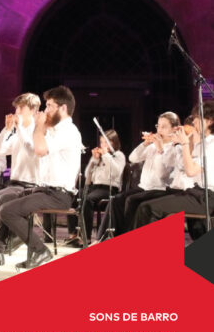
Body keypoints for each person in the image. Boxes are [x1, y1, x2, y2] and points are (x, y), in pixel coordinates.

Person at [0, 86, 82, 269]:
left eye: (49, 106)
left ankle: (40, 250)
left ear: (63, 108)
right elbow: (32, 148)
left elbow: (39, 150)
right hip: (44, 189)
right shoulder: (55, 130)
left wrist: (39, 126)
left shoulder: (68, 131)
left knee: (8, 211)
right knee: (3, 200)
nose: (46, 110)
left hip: (58, 194)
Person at [133, 101, 214, 233]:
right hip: (195, 192)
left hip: (206, 197)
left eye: (197, 118)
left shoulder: (211, 144)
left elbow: (190, 171)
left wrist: (184, 144)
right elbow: (182, 164)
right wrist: (183, 141)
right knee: (144, 206)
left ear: (209, 121)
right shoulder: (201, 143)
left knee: (148, 208)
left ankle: (144, 246)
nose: (194, 122)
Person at [98, 112, 179, 238]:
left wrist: (160, 149)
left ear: (174, 129)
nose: (159, 130)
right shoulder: (152, 147)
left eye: (164, 127)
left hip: (160, 189)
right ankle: (106, 237)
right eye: (158, 126)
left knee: (132, 201)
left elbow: (162, 174)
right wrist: (145, 144)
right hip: (144, 187)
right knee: (116, 200)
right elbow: (133, 158)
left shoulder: (174, 149)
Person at [0, 93, 41, 238]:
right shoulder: (17, 134)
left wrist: (19, 128)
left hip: (29, 185)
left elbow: (31, 151)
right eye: (17, 108)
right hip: (13, 183)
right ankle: (12, 231)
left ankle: (14, 232)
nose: (17, 112)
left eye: (21, 108)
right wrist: (7, 130)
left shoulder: (38, 131)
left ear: (32, 110)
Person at [65, 129, 125, 244]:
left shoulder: (118, 155)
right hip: (95, 187)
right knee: (75, 195)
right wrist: (94, 160)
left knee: (88, 199)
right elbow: (88, 176)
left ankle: (86, 237)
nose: (103, 145)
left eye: (106, 142)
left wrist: (106, 155)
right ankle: (73, 234)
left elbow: (115, 173)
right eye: (102, 142)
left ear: (114, 142)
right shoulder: (100, 157)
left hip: (109, 188)